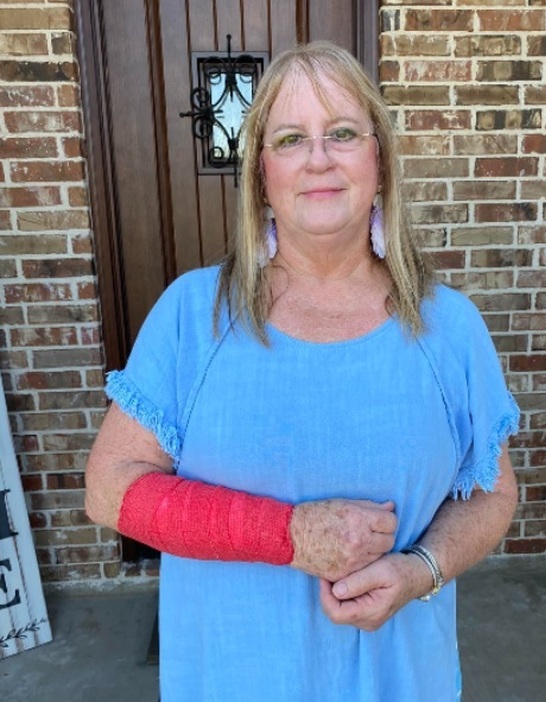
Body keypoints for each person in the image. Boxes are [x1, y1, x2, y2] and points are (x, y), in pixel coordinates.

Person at [84, 41, 520, 700]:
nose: (318, 158)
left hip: (400, 683)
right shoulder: (193, 316)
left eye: (342, 133)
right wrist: (288, 536)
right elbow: (108, 491)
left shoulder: (448, 328)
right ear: (261, 173)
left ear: (379, 161)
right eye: (290, 139)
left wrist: (420, 570)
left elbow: (492, 492)